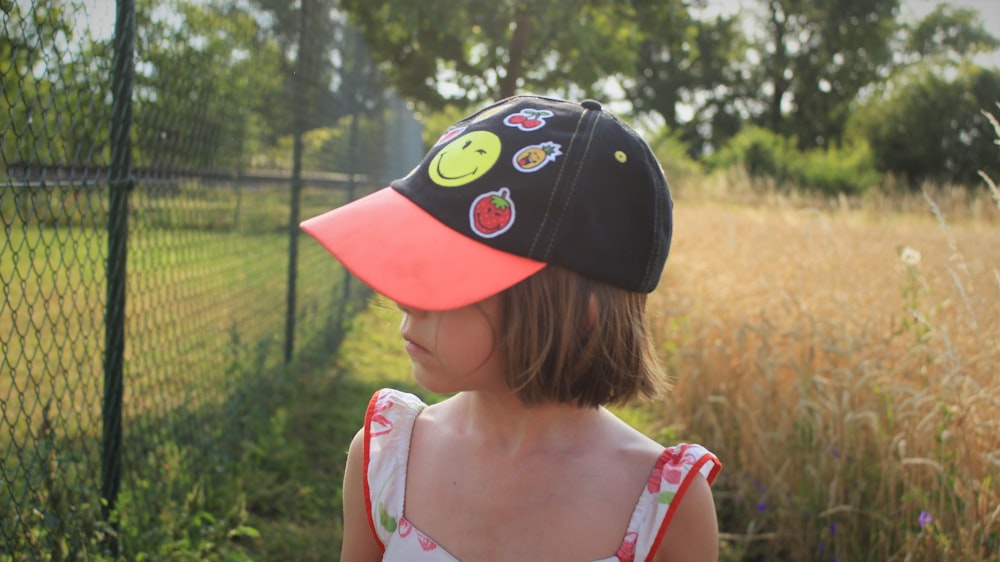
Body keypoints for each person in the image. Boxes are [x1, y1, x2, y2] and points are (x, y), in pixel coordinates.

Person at [301, 95, 722, 562]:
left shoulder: (661, 510)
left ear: (580, 314)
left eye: (450, 275)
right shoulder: (387, 461)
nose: (404, 297)